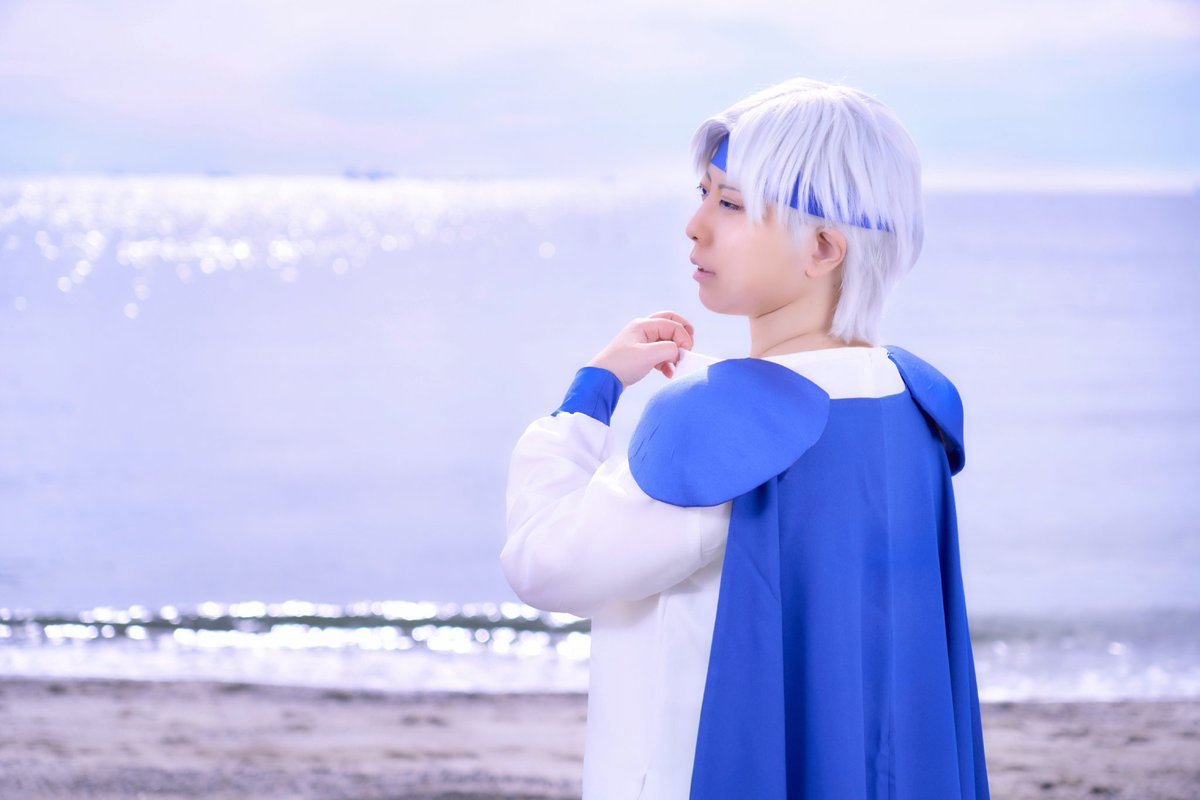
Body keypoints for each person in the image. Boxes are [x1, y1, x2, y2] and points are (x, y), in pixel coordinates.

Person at [501, 76, 990, 799]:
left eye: (730, 203)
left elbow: (544, 565)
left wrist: (591, 393)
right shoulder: (912, 401)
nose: (694, 225)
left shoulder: (726, 426)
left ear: (822, 246)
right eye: (703, 193)